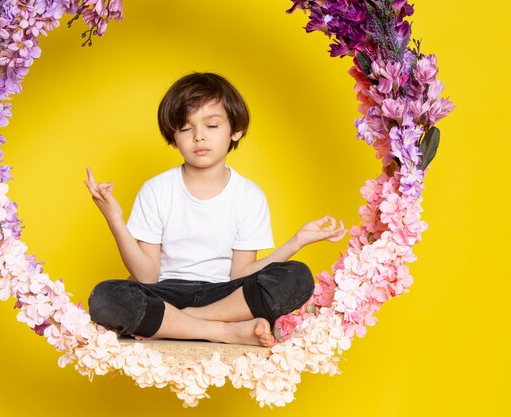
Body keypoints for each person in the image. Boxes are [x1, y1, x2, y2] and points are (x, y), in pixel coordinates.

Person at [84, 72, 347, 347]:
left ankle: (183, 322)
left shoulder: (249, 196)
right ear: (173, 137)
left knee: (296, 276)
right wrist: (114, 219)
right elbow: (147, 276)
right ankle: (223, 331)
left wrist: (298, 241)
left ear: (235, 130)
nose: (199, 137)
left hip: (225, 297)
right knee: (105, 297)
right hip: (164, 292)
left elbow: (242, 275)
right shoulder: (156, 189)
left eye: (211, 125)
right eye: (186, 129)